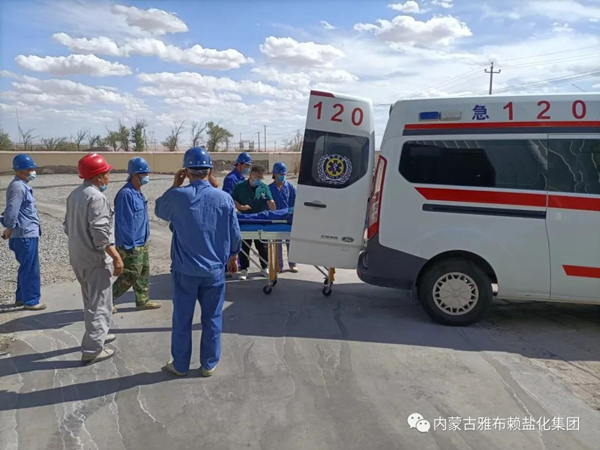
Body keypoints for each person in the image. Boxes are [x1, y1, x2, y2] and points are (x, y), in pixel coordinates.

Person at [155, 147, 241, 377]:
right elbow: (235, 233)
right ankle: (209, 364)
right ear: (209, 171)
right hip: (214, 271)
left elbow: (159, 210)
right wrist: (233, 256)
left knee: (182, 319)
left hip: (185, 271)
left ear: (186, 171)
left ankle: (180, 365)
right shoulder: (224, 198)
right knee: (212, 318)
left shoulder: (177, 197)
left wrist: (175, 185)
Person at [64, 153, 123, 365]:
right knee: (100, 304)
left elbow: (67, 227)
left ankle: (99, 333)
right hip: (95, 260)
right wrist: (116, 256)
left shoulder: (75, 195)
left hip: (78, 257)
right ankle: (92, 349)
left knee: (91, 301)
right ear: (98, 176)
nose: (109, 177)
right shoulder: (96, 198)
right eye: (107, 173)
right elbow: (100, 233)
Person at [112, 157, 161, 313]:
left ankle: (142, 301)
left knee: (143, 272)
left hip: (142, 241)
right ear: (134, 175)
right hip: (131, 244)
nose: (147, 176)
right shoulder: (126, 194)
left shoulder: (138, 193)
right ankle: (107, 299)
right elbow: (124, 222)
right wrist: (129, 245)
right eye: (144, 173)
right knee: (131, 274)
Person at [1, 154, 45, 310]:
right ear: (20, 171)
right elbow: (12, 210)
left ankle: (21, 298)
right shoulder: (18, 187)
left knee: (26, 267)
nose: (33, 171)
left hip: (26, 233)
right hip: (25, 234)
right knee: (30, 269)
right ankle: (31, 301)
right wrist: (9, 228)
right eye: (30, 169)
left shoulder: (21, 185)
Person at [232, 165, 276, 280]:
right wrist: (241, 206)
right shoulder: (240, 186)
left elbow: (270, 202)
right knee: (244, 246)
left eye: (261, 178)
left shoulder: (264, 187)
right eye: (257, 177)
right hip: (245, 220)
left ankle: (265, 267)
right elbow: (233, 199)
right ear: (251, 174)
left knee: (262, 245)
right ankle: (244, 269)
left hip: (259, 220)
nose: (258, 179)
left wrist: (273, 213)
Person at [269, 162, 298, 273]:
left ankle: (292, 264)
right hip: (276, 219)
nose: (282, 176)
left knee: (290, 242)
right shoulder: (269, 188)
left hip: (288, 218)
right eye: (280, 174)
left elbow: (295, 201)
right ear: (275, 174)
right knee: (277, 244)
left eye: (283, 174)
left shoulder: (290, 187)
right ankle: (278, 266)